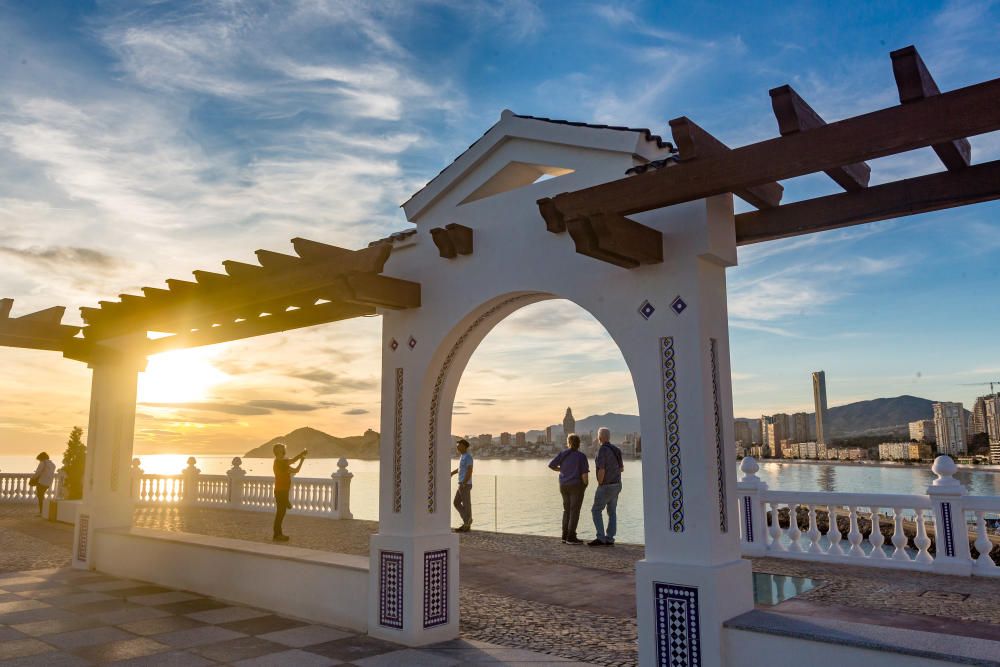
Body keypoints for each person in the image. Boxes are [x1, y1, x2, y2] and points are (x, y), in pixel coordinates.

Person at [548, 434, 589, 545]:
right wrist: (585, 485)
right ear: (579, 443)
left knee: (566, 510)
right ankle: (571, 537)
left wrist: (562, 470)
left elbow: (551, 465)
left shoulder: (563, 454)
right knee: (574, 511)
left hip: (563, 485)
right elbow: (585, 475)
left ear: (568, 443)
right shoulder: (581, 456)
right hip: (576, 486)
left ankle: (564, 536)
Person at [589, 427, 624, 546]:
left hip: (606, 486)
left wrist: (600, 482)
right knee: (612, 512)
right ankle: (610, 538)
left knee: (596, 510)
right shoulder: (616, 450)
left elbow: (602, 469)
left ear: (600, 437)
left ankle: (600, 537)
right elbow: (621, 469)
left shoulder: (602, 450)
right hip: (617, 485)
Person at [272, 443, 306, 542]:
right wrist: (301, 454)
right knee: (281, 512)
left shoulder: (284, 464)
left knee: (282, 512)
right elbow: (293, 460)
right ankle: (277, 534)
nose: (282, 450)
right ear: (276, 452)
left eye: (282, 449)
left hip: (284, 491)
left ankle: (278, 534)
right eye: (280, 449)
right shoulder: (279, 462)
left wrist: (302, 460)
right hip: (280, 491)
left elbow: (296, 470)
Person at [450, 439, 474, 532]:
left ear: (464, 446)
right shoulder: (462, 456)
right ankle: (467, 521)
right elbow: (461, 468)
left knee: (466, 504)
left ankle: (467, 523)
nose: (457, 447)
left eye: (459, 445)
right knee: (456, 503)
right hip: (462, 483)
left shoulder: (468, 457)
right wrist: (452, 472)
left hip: (465, 484)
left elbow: (469, 470)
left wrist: (464, 482)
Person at [31, 452, 56, 517]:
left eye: (39, 459)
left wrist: (33, 478)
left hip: (42, 482)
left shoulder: (43, 463)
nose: (39, 461)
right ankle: (44, 510)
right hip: (49, 482)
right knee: (41, 496)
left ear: (41, 458)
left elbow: (38, 472)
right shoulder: (52, 464)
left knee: (40, 496)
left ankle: (42, 512)